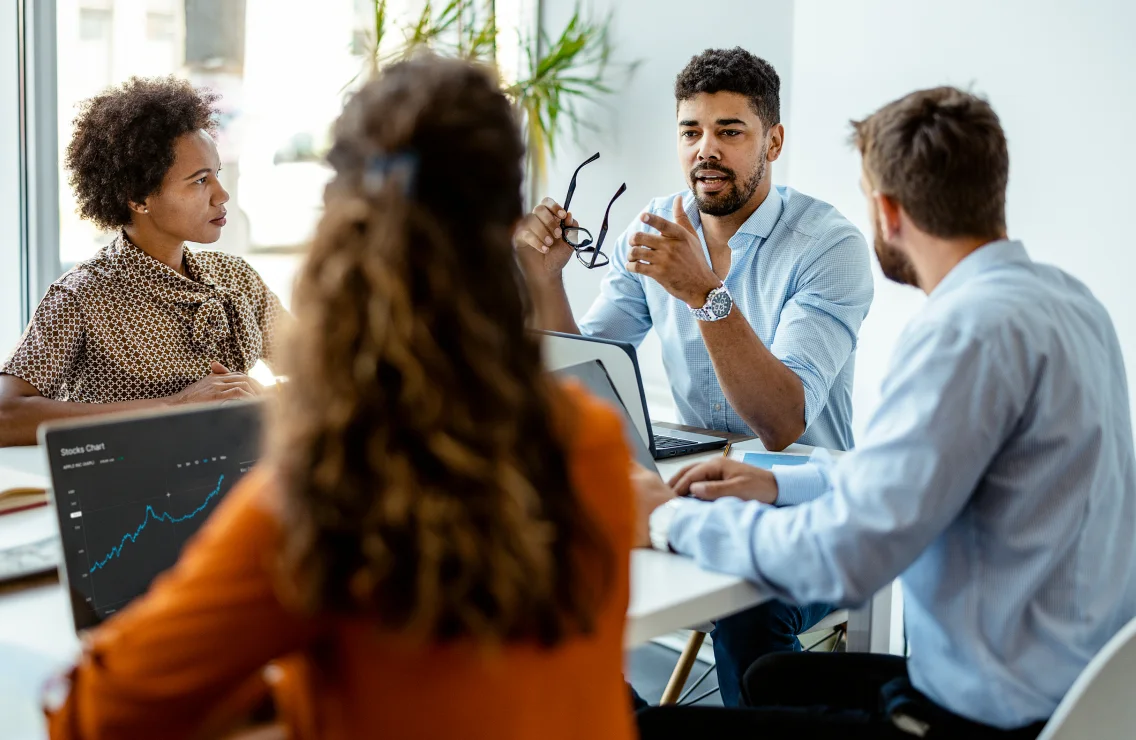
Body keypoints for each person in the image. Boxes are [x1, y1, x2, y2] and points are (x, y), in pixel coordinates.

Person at [44, 56, 637, 740]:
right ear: (510, 221)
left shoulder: (323, 497)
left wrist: (269, 683)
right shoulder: (591, 439)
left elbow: (89, 714)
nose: (219, 195)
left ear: (340, 229)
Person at [633, 86, 1136, 739]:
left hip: (973, 720)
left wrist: (669, 520)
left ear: (888, 210)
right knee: (769, 679)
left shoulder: (963, 335)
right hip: (1072, 690)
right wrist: (780, 481)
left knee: (649, 725)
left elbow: (845, 557)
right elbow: (927, 475)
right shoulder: (1070, 304)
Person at [516, 46, 874, 706]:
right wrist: (547, 281)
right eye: (691, 131)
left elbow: (781, 421)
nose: (706, 149)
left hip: (809, 498)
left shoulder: (830, 246)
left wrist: (705, 294)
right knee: (553, 569)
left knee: (747, 614)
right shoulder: (653, 229)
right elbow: (587, 372)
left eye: (730, 131)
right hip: (692, 484)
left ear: (774, 140)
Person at [0, 77, 282, 447]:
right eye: (199, 181)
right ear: (138, 198)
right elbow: (6, 415)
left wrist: (266, 399)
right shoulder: (81, 297)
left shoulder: (237, 277)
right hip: (132, 495)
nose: (222, 194)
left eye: (218, 174)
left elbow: (325, 373)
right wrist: (173, 406)